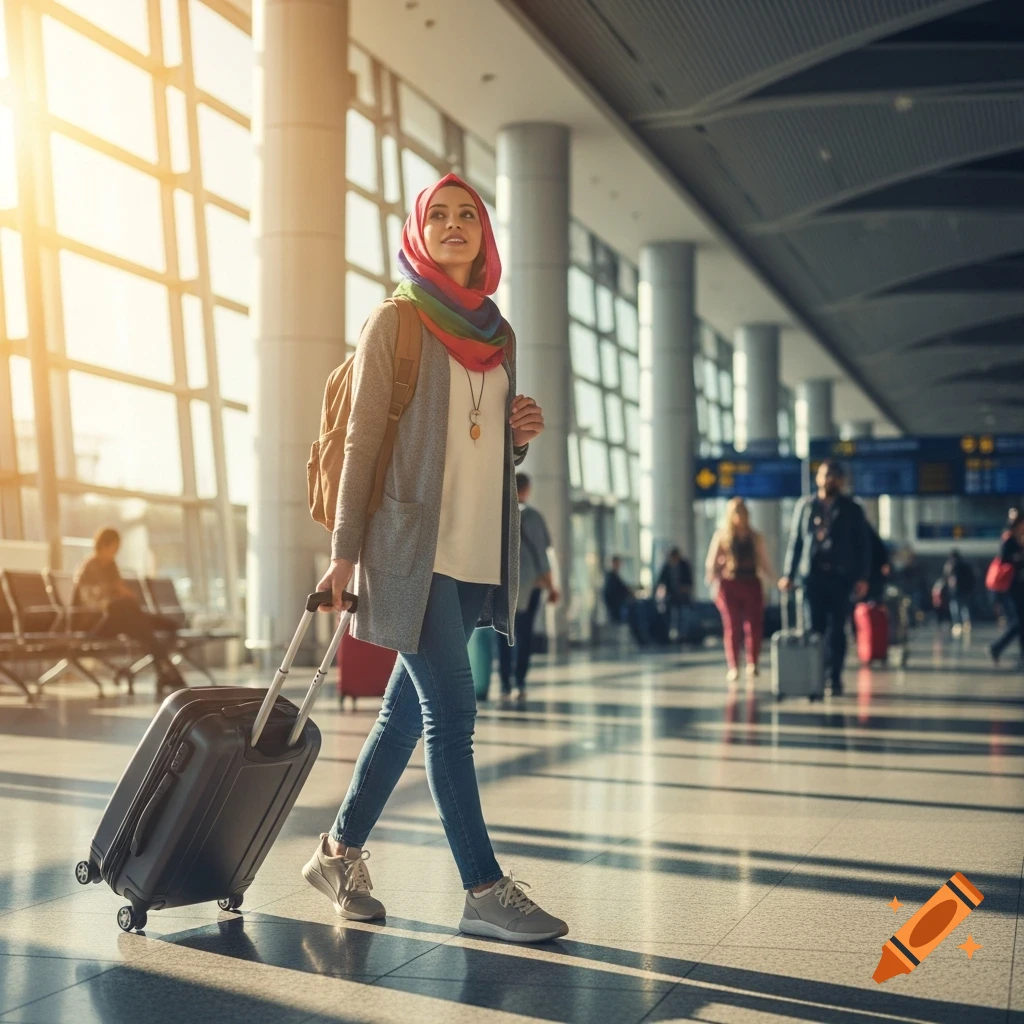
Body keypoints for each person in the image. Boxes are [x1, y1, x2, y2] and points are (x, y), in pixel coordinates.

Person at [305, 173, 567, 943]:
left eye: (467, 216)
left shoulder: (498, 333)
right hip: (404, 549)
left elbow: (483, 443)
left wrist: (520, 434)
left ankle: (338, 852)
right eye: (439, 216)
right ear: (420, 232)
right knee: (452, 714)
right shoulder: (396, 321)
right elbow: (360, 444)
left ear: (484, 234)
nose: (454, 226)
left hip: (472, 545)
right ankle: (483, 889)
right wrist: (344, 555)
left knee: (400, 718)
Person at [779, 459, 871, 697]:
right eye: (826, 474)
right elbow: (796, 542)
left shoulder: (852, 508)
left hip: (841, 576)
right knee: (814, 629)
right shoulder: (806, 506)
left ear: (841, 481)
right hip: (812, 576)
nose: (830, 479)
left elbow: (863, 545)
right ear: (818, 478)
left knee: (837, 629)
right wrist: (789, 574)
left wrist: (862, 577)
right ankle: (815, 677)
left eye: (835, 475)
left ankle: (835, 676)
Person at [71, 527, 185, 692]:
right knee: (138, 620)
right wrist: (113, 594)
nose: (116, 552)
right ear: (105, 545)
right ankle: (166, 671)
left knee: (137, 625)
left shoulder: (111, 566)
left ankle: (163, 672)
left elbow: (122, 592)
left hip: (116, 621)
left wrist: (121, 595)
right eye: (115, 548)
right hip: (95, 623)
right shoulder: (89, 567)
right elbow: (90, 602)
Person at [497, 472, 558, 704]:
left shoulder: (500, 514)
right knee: (524, 635)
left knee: (502, 635)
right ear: (526, 490)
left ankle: (504, 685)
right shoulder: (533, 517)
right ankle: (520, 682)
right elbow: (542, 554)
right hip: (531, 585)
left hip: (502, 584)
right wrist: (552, 586)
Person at [705, 497, 774, 683]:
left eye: (742, 512)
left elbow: (764, 562)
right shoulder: (722, 536)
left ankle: (753, 662)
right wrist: (713, 577)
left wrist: (775, 581)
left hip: (751, 582)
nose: (740, 516)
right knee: (732, 626)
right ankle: (733, 665)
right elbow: (711, 562)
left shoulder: (755, 536)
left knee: (754, 625)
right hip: (730, 585)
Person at [991, 512, 1024, 668]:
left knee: (1021, 622)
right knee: (1018, 622)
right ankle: (996, 647)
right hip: (1011, 587)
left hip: (1018, 586)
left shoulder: (1018, 539)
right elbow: (1005, 559)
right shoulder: (1009, 540)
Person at [656, 546, 693, 640]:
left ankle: (683, 635)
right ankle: (670, 634)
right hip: (670, 596)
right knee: (670, 615)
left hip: (683, 596)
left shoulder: (684, 565)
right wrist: (662, 591)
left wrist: (685, 588)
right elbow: (661, 581)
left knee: (684, 615)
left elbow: (689, 581)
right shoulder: (667, 566)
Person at [943, 548, 975, 637]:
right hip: (963, 591)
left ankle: (958, 624)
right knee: (964, 608)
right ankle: (966, 623)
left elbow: (947, 579)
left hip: (957, 591)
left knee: (957, 608)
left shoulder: (950, 566)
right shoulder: (964, 566)